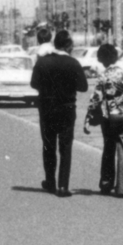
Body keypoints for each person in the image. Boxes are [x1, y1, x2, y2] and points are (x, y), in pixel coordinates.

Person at [31, 29, 90, 196]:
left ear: (54, 44)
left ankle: (50, 181)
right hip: (67, 109)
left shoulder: (43, 62)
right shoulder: (73, 63)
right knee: (65, 147)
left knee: (48, 145)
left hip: (47, 108)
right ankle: (63, 186)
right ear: (69, 46)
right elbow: (83, 87)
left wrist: (48, 88)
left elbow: (33, 83)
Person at [83, 43, 123, 198]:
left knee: (109, 148)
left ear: (101, 60)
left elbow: (96, 99)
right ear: (116, 56)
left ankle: (106, 183)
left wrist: (88, 118)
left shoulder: (103, 77)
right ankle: (122, 188)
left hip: (110, 117)